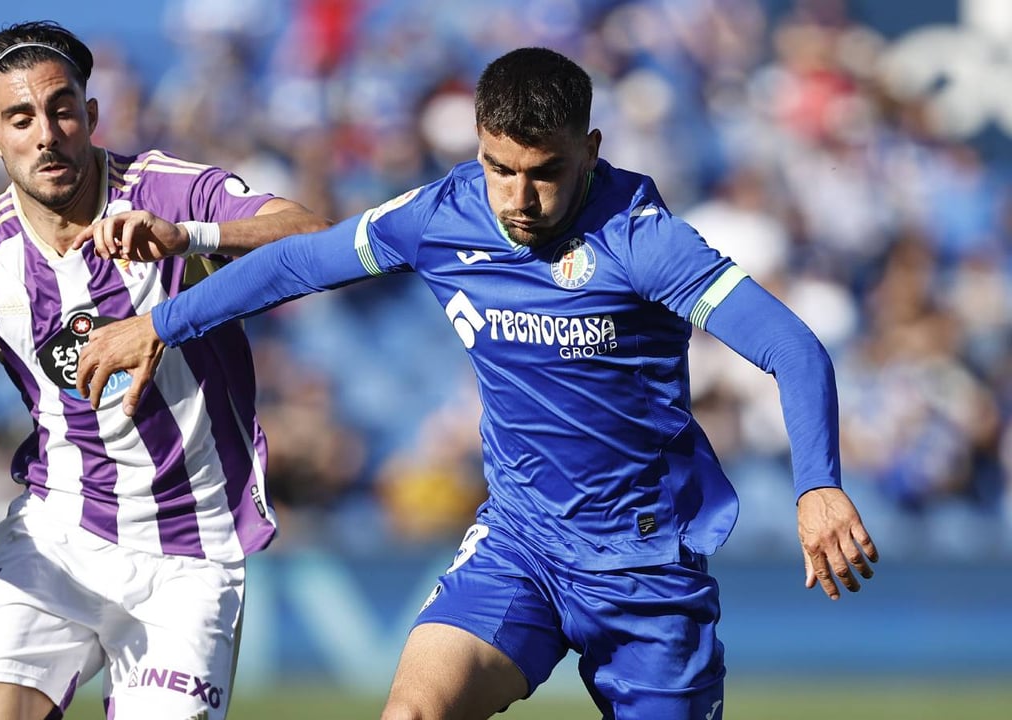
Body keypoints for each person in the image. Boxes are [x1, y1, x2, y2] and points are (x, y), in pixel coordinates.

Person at [74, 47, 879, 720]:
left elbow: (792, 346)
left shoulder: (646, 242)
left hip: (646, 566)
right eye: (500, 169)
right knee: (411, 713)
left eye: (545, 173)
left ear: (591, 148)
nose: (519, 200)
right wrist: (162, 320)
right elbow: (299, 261)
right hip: (521, 546)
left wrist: (818, 485)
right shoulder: (442, 214)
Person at [0, 20, 329, 720]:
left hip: (190, 555)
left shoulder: (167, 193)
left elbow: (315, 238)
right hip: (58, 536)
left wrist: (191, 239)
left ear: (91, 115)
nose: (46, 135)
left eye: (61, 109)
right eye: (20, 119)